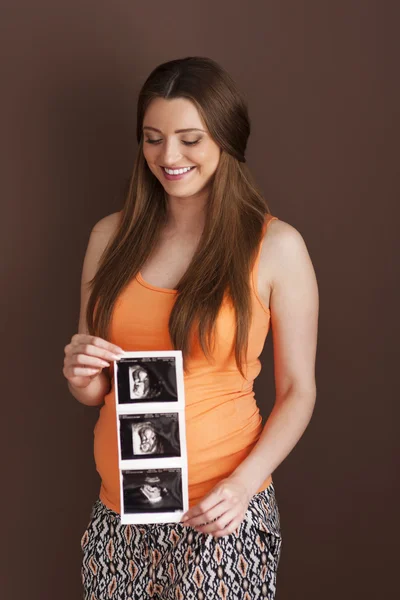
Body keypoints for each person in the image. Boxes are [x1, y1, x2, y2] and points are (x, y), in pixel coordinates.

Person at [63, 56, 319, 600]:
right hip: (120, 517)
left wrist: (244, 486)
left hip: (220, 516)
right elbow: (93, 390)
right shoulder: (108, 238)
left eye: (189, 139)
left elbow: (299, 390)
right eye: (153, 139)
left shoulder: (276, 248)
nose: (168, 157)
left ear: (226, 139)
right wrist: (80, 373)